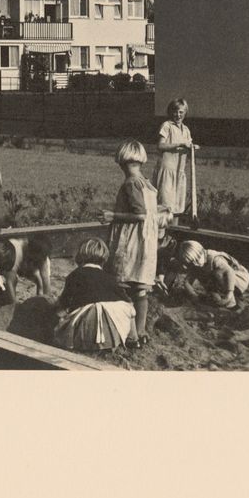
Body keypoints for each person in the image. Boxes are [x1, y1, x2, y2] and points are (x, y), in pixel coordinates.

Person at [102, 139, 161, 348]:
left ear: (122, 161)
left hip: (131, 242)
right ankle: (142, 331)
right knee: (140, 289)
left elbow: (140, 214)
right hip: (146, 242)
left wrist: (113, 216)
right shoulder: (146, 183)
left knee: (123, 288)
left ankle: (132, 335)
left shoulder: (130, 184)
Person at [51, 237, 138, 352]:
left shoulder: (75, 275)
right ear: (104, 259)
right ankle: (132, 339)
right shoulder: (110, 278)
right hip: (113, 330)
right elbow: (128, 303)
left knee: (64, 319)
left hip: (88, 328)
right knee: (128, 307)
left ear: (79, 257)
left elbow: (64, 304)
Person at [154, 98, 199, 219]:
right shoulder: (167, 126)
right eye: (175, 112)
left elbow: (188, 146)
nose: (178, 115)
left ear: (185, 113)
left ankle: (173, 234)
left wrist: (192, 148)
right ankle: (160, 235)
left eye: (181, 112)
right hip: (167, 169)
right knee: (165, 206)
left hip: (179, 171)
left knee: (178, 207)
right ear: (170, 112)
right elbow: (160, 145)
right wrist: (179, 144)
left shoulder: (186, 130)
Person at [174, 239, 249, 308]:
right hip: (222, 280)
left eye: (197, 260)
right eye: (191, 263)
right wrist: (194, 296)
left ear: (201, 252)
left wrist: (229, 293)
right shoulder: (196, 264)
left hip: (238, 278)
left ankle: (232, 303)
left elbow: (229, 272)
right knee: (200, 273)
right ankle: (218, 297)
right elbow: (188, 281)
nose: (195, 264)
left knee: (218, 274)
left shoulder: (214, 259)